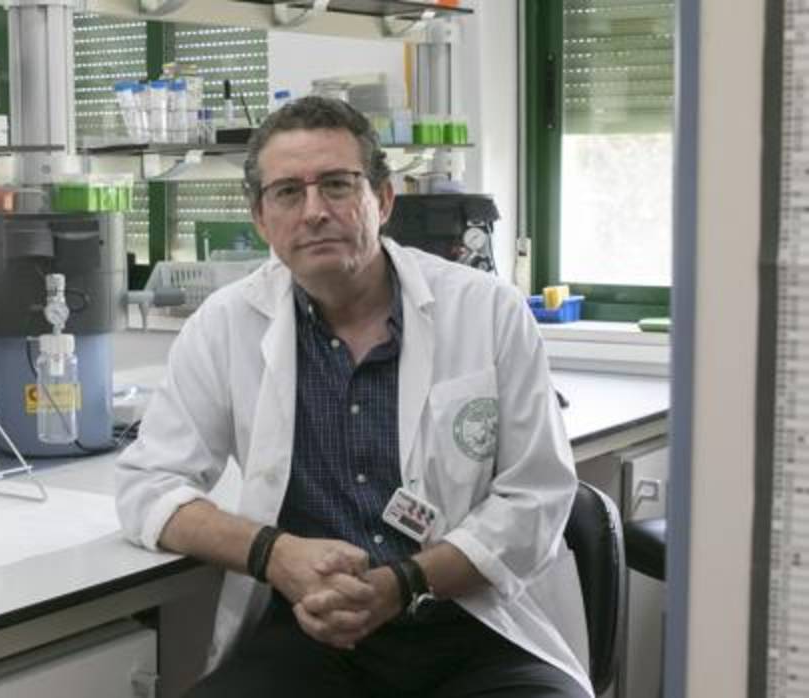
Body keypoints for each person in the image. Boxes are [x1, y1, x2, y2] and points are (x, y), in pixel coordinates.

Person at [115, 96, 591, 697]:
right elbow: (147, 486)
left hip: (467, 623)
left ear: (383, 200)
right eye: (288, 192)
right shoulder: (225, 324)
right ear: (261, 218)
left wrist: (404, 582)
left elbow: (538, 495)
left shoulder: (485, 310)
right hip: (308, 635)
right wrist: (275, 554)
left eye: (337, 185)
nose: (315, 211)